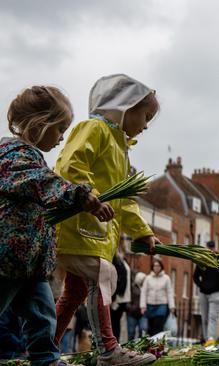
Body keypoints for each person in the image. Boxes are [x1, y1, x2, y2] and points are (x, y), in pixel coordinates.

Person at [54, 74, 159, 366]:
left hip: (94, 234)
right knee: (105, 275)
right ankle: (109, 351)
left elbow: (124, 201)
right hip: (78, 228)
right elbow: (69, 165)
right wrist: (91, 197)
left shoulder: (121, 149)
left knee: (74, 292)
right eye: (146, 115)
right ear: (126, 107)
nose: (147, 125)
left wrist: (143, 232)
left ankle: (43, 351)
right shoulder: (95, 129)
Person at [0, 86, 110, 366]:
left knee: (42, 315)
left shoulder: (32, 157)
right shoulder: (12, 155)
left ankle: (46, 359)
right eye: (60, 128)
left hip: (31, 262)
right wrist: (82, 195)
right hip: (7, 259)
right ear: (40, 124)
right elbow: (42, 182)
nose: (62, 137)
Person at [193, 240, 219, 343]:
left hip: (215, 293)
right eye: (209, 247)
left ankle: (210, 338)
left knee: (212, 317)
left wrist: (218, 285)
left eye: (212, 247)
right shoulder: (202, 260)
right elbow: (195, 276)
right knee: (204, 317)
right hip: (203, 293)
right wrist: (201, 285)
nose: (211, 249)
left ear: (214, 248)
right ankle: (206, 339)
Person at [140, 257, 175, 335]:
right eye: (155, 266)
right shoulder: (148, 278)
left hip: (162, 305)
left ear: (161, 267)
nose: (156, 267)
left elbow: (170, 292)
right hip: (150, 305)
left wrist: (172, 307)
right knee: (150, 328)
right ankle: (151, 344)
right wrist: (143, 306)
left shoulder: (166, 278)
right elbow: (144, 292)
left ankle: (157, 344)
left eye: (158, 266)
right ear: (152, 267)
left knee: (158, 326)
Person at [110, 247, 131, 342]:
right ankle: (115, 343)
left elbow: (120, 281)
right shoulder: (122, 262)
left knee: (114, 323)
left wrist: (113, 297)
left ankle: (114, 343)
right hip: (121, 298)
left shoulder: (119, 262)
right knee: (115, 323)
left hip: (118, 298)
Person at [126, 272, 147, 340]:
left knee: (143, 330)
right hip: (132, 313)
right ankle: (129, 347)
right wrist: (130, 308)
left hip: (142, 313)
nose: (144, 281)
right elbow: (127, 298)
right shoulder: (132, 287)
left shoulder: (146, 287)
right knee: (131, 332)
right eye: (143, 279)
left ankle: (140, 347)